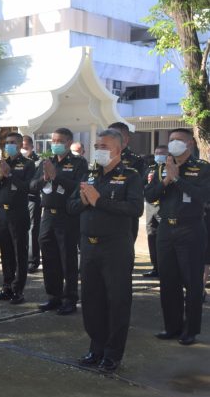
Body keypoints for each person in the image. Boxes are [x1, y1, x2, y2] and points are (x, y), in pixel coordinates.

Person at [68, 128, 143, 372]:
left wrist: (99, 201)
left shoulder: (130, 176)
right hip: (89, 247)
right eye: (97, 146)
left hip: (116, 249)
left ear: (118, 150)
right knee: (91, 301)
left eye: (105, 147)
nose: (99, 150)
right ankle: (96, 348)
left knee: (117, 301)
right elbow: (71, 205)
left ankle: (112, 354)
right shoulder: (90, 175)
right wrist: (84, 200)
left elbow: (134, 209)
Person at [145, 128, 210, 346]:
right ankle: (171, 326)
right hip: (166, 229)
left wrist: (177, 179)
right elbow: (149, 194)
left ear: (190, 143)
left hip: (190, 230)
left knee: (192, 282)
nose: (174, 144)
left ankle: (190, 330)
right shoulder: (161, 166)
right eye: (171, 140)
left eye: (178, 140)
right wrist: (165, 180)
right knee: (168, 281)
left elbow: (203, 196)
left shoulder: (202, 168)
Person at [30, 128, 88, 315]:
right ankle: (53, 296)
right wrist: (44, 178)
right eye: (53, 140)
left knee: (67, 258)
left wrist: (57, 176)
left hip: (68, 216)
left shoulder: (78, 163)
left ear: (69, 142)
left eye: (59, 140)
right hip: (47, 214)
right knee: (48, 255)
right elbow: (32, 186)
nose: (55, 143)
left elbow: (79, 187)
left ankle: (69, 298)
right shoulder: (46, 162)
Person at [0, 132, 36, 304]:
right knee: (6, 253)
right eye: (6, 143)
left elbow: (28, 188)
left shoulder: (28, 164)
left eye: (12, 142)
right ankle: (7, 287)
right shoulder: (1, 164)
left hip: (18, 213)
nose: (8, 145)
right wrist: (1, 175)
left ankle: (18, 290)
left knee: (19, 253)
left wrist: (10, 175)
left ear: (19, 145)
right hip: (2, 213)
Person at [109, 122, 146, 242]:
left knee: (123, 252)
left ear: (125, 139)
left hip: (125, 214)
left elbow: (138, 187)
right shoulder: (103, 158)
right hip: (104, 212)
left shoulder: (136, 160)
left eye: (113, 135)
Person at [142, 145, 168, 278]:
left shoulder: (171, 169)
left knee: (164, 239)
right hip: (151, 207)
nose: (158, 155)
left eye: (162, 153)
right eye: (157, 153)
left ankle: (165, 267)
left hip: (164, 208)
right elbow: (143, 185)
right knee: (152, 236)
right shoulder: (151, 169)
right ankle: (155, 267)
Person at [22, 135, 42, 273]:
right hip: (17, 199)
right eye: (21, 147)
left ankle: (32, 260)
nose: (23, 150)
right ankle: (21, 259)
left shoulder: (38, 161)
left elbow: (36, 183)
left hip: (32, 199)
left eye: (25, 147)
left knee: (32, 229)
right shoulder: (14, 161)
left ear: (32, 147)